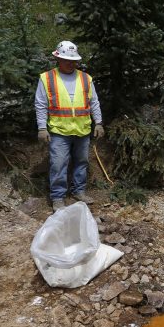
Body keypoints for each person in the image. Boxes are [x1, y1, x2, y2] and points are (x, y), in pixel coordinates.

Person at [35, 41, 104, 212]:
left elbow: (94, 102)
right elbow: (40, 104)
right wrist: (42, 128)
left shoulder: (85, 78)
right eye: (66, 60)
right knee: (58, 164)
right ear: (57, 58)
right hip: (59, 131)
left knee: (81, 162)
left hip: (82, 129)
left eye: (73, 60)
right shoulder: (47, 78)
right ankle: (58, 197)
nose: (70, 63)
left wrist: (99, 123)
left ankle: (79, 191)